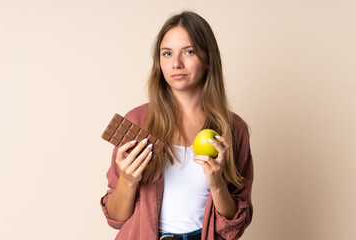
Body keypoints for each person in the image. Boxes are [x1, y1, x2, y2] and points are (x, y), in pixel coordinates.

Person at [100, 11, 253, 240]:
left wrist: (217, 184)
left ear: (208, 58)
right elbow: (115, 218)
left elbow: (234, 227)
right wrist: (128, 179)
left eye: (189, 52)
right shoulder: (137, 122)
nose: (176, 63)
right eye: (167, 53)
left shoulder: (232, 129)